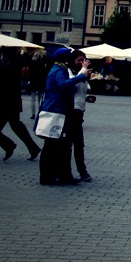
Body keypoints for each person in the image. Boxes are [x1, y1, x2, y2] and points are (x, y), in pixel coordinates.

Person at [38, 49, 90, 186]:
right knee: (51, 144)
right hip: (55, 109)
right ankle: (48, 176)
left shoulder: (59, 68)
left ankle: (57, 175)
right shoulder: (59, 70)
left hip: (57, 108)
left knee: (56, 144)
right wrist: (80, 77)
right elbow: (62, 85)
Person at [0, 48, 41, 161]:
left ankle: (8, 146)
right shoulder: (16, 64)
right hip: (14, 102)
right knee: (17, 126)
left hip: (9, 103)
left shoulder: (10, 66)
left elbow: (8, 86)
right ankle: (32, 148)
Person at [68, 58, 92, 182]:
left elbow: (80, 92)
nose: (82, 63)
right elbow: (72, 84)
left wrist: (87, 99)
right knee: (72, 144)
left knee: (79, 144)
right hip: (71, 111)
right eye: (78, 60)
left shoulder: (81, 75)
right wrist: (83, 70)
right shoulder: (69, 72)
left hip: (79, 111)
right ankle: (73, 172)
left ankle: (82, 171)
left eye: (83, 61)